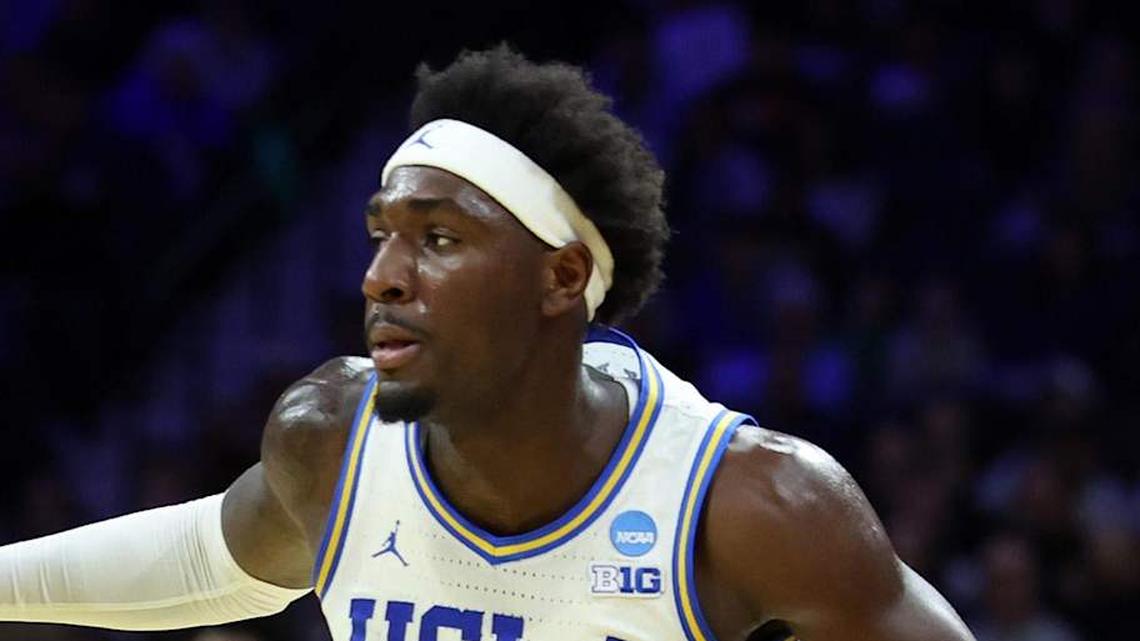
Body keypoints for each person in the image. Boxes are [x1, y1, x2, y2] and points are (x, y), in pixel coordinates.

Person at [0, 46, 976, 641]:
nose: (382, 272)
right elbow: (211, 558)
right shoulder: (330, 433)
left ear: (558, 278)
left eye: (439, 238)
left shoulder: (753, 501)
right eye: (380, 231)